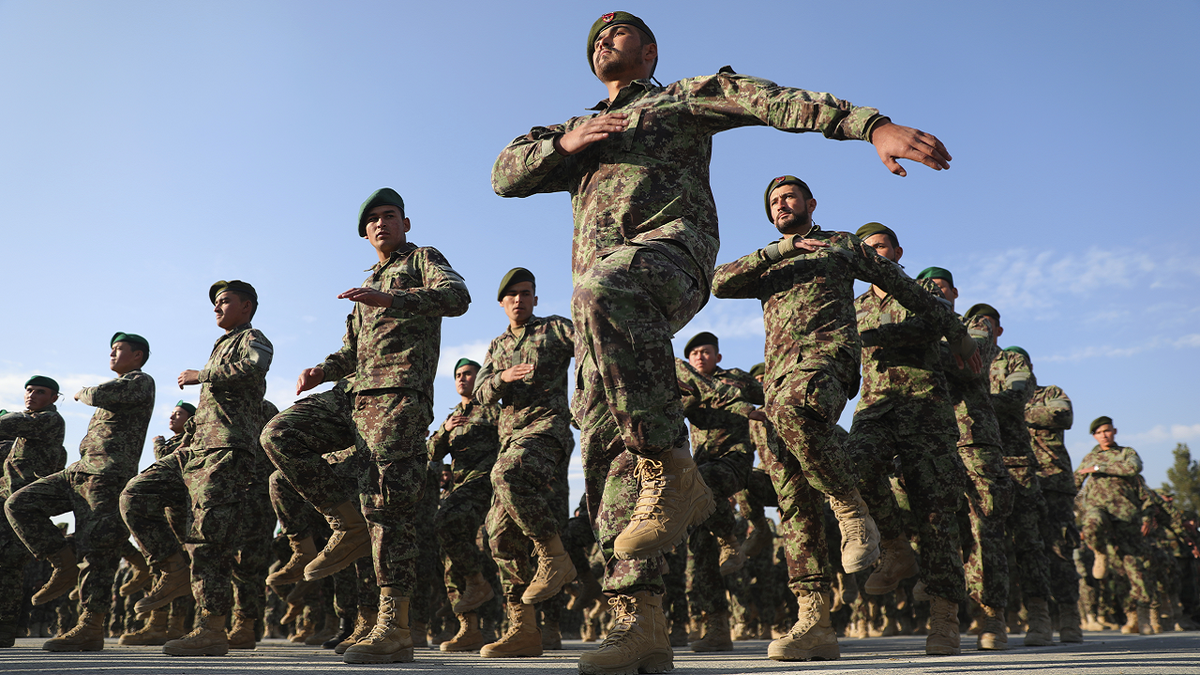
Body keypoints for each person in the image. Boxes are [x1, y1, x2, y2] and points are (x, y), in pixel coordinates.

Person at [492, 11, 954, 674]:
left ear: (649, 51)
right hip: (606, 321)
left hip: (666, 259)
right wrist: (569, 144)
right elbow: (504, 172)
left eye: (618, 32)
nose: (603, 41)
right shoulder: (577, 133)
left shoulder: (680, 99)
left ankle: (676, 468)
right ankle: (640, 619)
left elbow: (773, 101)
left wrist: (869, 126)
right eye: (594, 39)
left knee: (604, 297)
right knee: (602, 450)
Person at [711, 177, 978, 660]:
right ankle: (815, 620)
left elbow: (902, 285)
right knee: (795, 494)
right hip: (782, 382)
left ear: (811, 203)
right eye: (773, 201)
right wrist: (777, 252)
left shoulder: (838, 245)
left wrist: (956, 331)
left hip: (831, 366)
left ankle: (942, 615)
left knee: (935, 508)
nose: (781, 204)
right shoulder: (770, 259)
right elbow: (719, 283)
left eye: (790, 196)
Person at [289, 188, 470, 664]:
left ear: (405, 224)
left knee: (387, 508)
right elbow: (350, 351)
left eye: (389, 216)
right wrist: (321, 371)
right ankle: (343, 523)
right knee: (280, 435)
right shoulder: (366, 285)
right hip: (353, 396)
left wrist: (391, 298)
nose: (380, 224)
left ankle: (395, 625)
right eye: (371, 220)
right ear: (365, 233)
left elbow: (457, 296)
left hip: (397, 398)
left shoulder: (421, 259)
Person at [120, 281, 270, 656]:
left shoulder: (253, 337)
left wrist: (201, 375)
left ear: (246, 307)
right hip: (195, 451)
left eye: (224, 302)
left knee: (206, 540)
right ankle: (172, 568)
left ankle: (212, 627)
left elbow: (256, 365)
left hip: (225, 451)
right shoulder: (221, 344)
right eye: (215, 303)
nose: (217, 308)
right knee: (135, 494)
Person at [845, 223, 967, 655]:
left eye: (881, 247)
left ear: (897, 252)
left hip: (925, 410)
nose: (874, 254)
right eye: (867, 250)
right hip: (875, 407)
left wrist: (871, 338)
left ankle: (944, 618)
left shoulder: (920, 293)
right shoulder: (850, 305)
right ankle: (895, 546)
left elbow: (938, 322)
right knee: (851, 467)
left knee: (936, 514)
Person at [7, 334, 154, 652]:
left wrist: (83, 391)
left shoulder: (140, 382)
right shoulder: (120, 390)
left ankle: (90, 626)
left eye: (119, 350)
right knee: (20, 503)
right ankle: (62, 562)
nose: (112, 354)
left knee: (98, 551)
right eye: (112, 350)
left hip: (107, 474)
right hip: (79, 470)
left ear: (138, 355)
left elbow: (97, 393)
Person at [472, 268, 576, 658]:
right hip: (510, 437)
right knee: (498, 532)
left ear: (535, 298)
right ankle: (524, 628)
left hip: (547, 430)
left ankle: (555, 557)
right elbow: (482, 392)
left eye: (526, 293)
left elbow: (591, 346)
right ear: (502, 304)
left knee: (507, 474)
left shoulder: (554, 329)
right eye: (511, 294)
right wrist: (503, 377)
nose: (518, 299)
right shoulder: (497, 346)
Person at [674, 331, 761, 652]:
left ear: (718, 356)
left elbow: (765, 394)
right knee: (699, 549)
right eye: (694, 352)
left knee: (706, 480)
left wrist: (743, 402)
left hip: (733, 460)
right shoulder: (686, 388)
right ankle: (717, 627)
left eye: (706, 351)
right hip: (700, 468)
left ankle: (730, 540)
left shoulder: (735, 378)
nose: (699, 356)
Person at [428, 358, 500, 653]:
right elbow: (431, 453)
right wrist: (445, 430)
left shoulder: (494, 409)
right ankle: (468, 627)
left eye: (468, 374)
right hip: (461, 490)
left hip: (488, 486)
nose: (462, 379)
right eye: (457, 375)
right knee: (452, 557)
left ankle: (497, 624)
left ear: (479, 378)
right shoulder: (454, 415)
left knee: (491, 554)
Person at [0, 376, 66, 648]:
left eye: (40, 392)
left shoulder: (48, 421)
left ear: (53, 398)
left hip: (24, 505)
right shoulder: (23, 431)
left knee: (8, 567)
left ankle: (5, 628)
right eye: (28, 391)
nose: (32, 395)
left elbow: (13, 423)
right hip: (7, 501)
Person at [1075, 416, 1154, 632]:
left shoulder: (1127, 453)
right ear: (1094, 436)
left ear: (1114, 431)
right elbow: (1076, 479)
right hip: (1100, 512)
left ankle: (1139, 616)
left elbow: (1132, 468)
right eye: (1099, 432)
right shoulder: (1089, 456)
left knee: (1130, 568)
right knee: (1091, 521)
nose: (1104, 435)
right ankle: (1099, 552)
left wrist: (1100, 467)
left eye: (1107, 431)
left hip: (1127, 518)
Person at [1025, 379, 1083, 642]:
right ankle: (1038, 618)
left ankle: (1070, 617)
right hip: (1019, 479)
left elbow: (1062, 416)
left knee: (1060, 549)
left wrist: (1016, 409)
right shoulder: (991, 393)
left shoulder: (1050, 393)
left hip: (1053, 481)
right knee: (1028, 551)